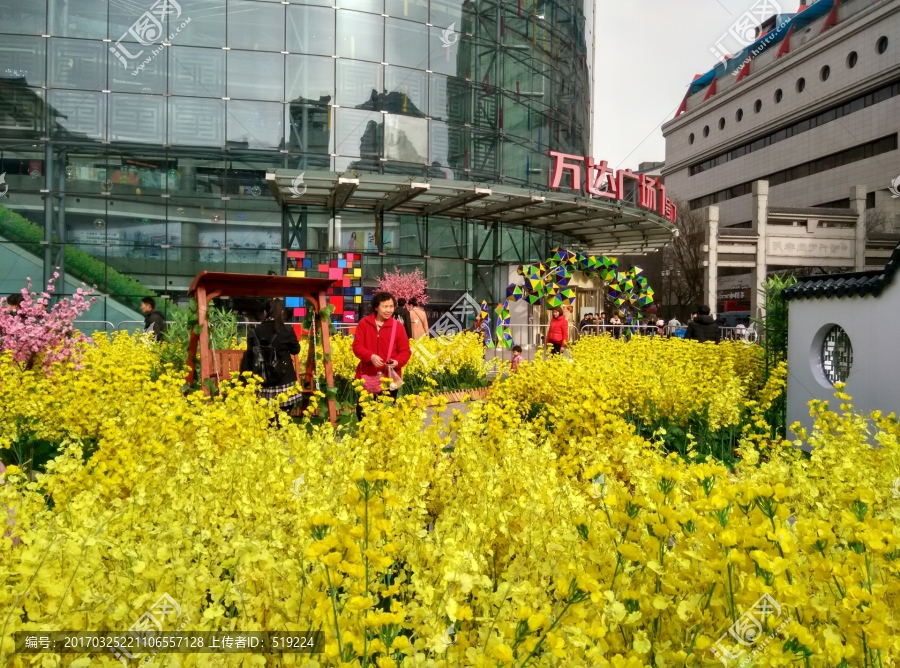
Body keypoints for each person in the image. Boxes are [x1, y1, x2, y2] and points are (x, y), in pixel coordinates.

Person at [352, 292, 411, 422]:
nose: (389, 310)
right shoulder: (364, 323)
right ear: (376, 307)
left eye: (391, 306)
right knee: (363, 414)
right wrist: (370, 356)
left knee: (386, 416)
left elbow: (405, 351)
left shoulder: (398, 327)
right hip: (367, 376)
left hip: (389, 378)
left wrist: (396, 362)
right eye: (385, 306)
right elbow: (357, 346)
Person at [241, 299, 303, 412]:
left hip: (262, 380)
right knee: (284, 415)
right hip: (284, 380)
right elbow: (295, 350)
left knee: (266, 417)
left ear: (265, 312)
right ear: (282, 312)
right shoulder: (286, 330)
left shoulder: (254, 332)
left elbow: (250, 354)